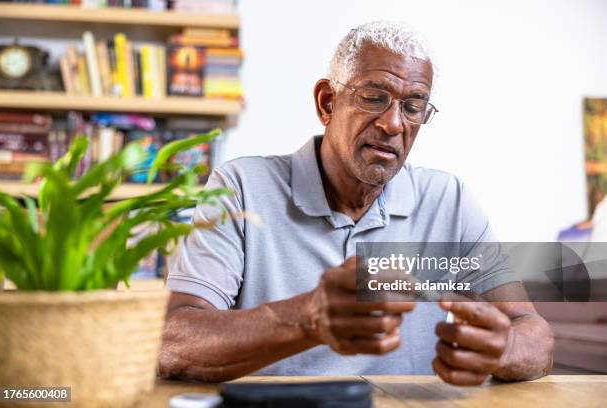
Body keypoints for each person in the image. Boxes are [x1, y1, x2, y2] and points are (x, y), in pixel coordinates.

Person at [159, 21, 553, 385]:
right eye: (374, 97)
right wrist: (307, 316)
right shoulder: (241, 187)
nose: (394, 124)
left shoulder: (448, 201)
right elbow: (173, 342)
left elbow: (533, 333)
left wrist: (505, 349)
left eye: (413, 106)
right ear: (327, 103)